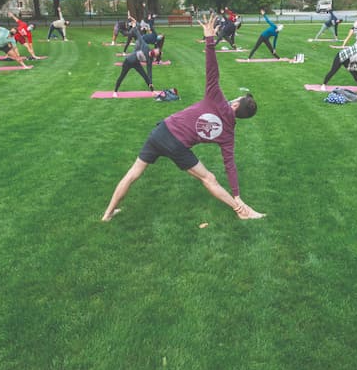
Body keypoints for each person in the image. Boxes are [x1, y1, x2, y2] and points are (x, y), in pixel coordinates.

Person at [102, 13, 264, 222]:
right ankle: (240, 209)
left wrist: (209, 39)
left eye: (238, 98)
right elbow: (230, 165)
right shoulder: (228, 135)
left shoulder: (216, 99)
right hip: (176, 143)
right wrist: (237, 194)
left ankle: (107, 214)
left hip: (161, 131)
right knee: (209, 178)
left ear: (235, 105)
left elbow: (212, 71)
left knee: (133, 173)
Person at [112, 16, 161, 96]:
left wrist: (151, 82)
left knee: (145, 76)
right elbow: (138, 35)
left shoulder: (149, 60)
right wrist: (134, 27)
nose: (156, 51)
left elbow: (149, 72)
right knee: (122, 76)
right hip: (128, 61)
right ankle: (115, 92)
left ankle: (152, 91)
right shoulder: (145, 47)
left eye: (157, 52)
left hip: (136, 63)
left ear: (155, 55)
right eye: (156, 50)